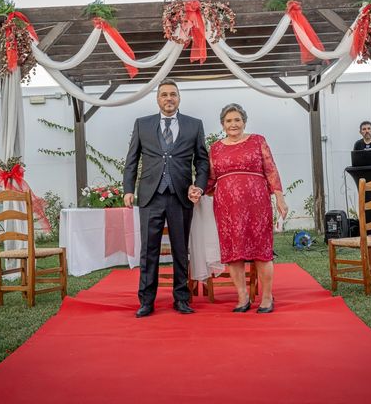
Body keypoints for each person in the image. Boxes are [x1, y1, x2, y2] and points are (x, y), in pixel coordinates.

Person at [123, 79, 209, 318]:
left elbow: (202, 161)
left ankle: (181, 298)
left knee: (181, 250)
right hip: (151, 196)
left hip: (181, 196)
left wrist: (199, 187)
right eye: (164, 95)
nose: (168, 98)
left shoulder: (194, 125)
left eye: (173, 94)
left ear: (179, 98)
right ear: (157, 99)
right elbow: (132, 161)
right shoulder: (142, 125)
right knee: (148, 251)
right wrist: (128, 189)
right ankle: (146, 301)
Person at [206, 103, 288, 313]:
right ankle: (242, 298)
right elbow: (210, 179)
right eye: (228, 121)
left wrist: (279, 197)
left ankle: (267, 297)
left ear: (244, 122)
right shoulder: (215, 148)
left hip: (257, 204)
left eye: (237, 120)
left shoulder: (257, 140)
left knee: (262, 251)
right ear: (222, 124)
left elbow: (271, 170)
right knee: (234, 252)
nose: (233, 124)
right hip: (226, 208)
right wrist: (196, 190)